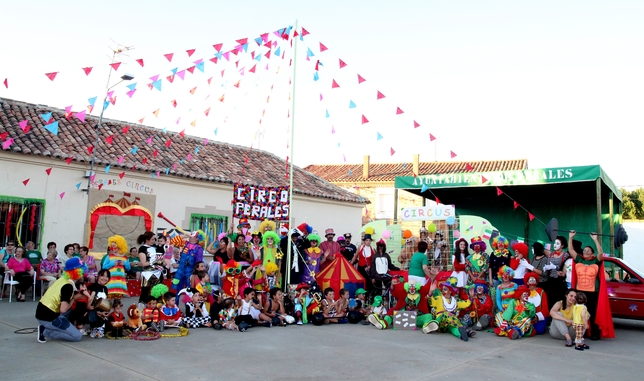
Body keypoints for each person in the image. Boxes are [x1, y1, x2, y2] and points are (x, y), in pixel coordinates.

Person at [568, 230, 614, 340]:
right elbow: (570, 250)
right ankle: (581, 332)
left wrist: (595, 240)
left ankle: (594, 333)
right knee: (579, 312)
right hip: (580, 291)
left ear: (592, 253)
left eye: (588, 251)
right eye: (584, 250)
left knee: (592, 312)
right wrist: (570, 237)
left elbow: (600, 254)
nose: (586, 252)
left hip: (593, 291)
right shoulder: (579, 259)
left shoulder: (595, 261)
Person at [35, 257, 85, 343]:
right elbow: (63, 309)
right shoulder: (68, 286)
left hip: (43, 311)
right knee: (77, 336)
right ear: (76, 271)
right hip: (49, 317)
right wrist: (74, 298)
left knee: (70, 310)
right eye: (81, 269)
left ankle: (63, 326)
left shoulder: (63, 279)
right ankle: (46, 331)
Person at [543, 235, 569, 311]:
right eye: (555, 243)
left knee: (558, 300)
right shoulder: (550, 255)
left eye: (558, 243)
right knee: (550, 299)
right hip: (551, 280)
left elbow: (565, 268)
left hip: (560, 281)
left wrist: (556, 267)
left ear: (562, 246)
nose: (555, 245)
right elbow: (548, 265)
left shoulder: (565, 255)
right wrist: (546, 267)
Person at [137, 231, 164, 302]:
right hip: (148, 274)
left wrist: (162, 262)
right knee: (145, 294)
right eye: (152, 239)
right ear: (147, 240)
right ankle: (142, 310)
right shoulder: (142, 248)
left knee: (158, 293)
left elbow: (160, 257)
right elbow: (144, 263)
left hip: (157, 273)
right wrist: (155, 261)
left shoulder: (155, 247)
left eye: (154, 239)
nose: (154, 241)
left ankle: (157, 310)